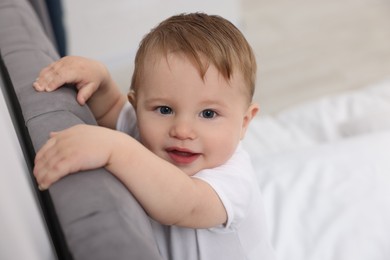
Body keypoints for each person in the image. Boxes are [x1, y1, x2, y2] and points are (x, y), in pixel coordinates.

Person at [33, 13, 275, 260]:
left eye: (208, 113)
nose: (182, 130)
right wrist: (100, 80)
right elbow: (111, 110)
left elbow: (184, 204)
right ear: (137, 106)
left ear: (244, 122)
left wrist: (116, 150)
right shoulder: (148, 131)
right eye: (165, 109)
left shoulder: (234, 181)